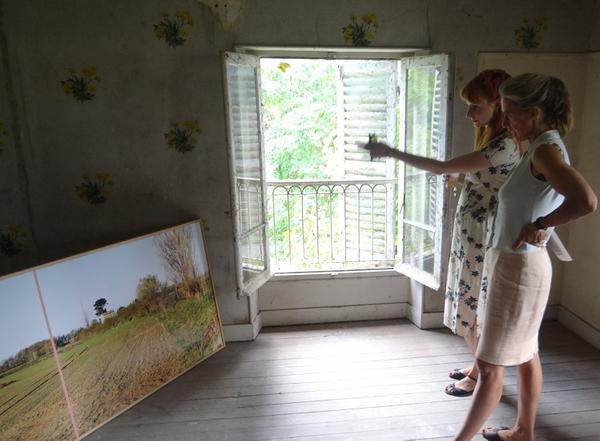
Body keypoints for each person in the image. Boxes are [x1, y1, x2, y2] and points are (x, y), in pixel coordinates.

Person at [453, 73, 597, 441]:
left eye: (511, 114)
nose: (506, 122)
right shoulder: (542, 145)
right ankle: (524, 432)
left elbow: (586, 201)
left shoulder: (546, 149)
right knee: (526, 353)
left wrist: (543, 224)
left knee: (488, 366)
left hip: (519, 268)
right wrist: (541, 225)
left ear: (533, 113)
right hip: (521, 264)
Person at [364, 69, 519, 396]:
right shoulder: (495, 140)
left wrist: (392, 152)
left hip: (484, 236)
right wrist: (464, 182)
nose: (469, 114)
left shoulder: (505, 144)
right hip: (473, 233)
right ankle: (478, 365)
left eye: (476, 106)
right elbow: (494, 183)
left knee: (476, 304)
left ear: (498, 104)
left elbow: (442, 166)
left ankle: (482, 375)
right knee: (471, 301)